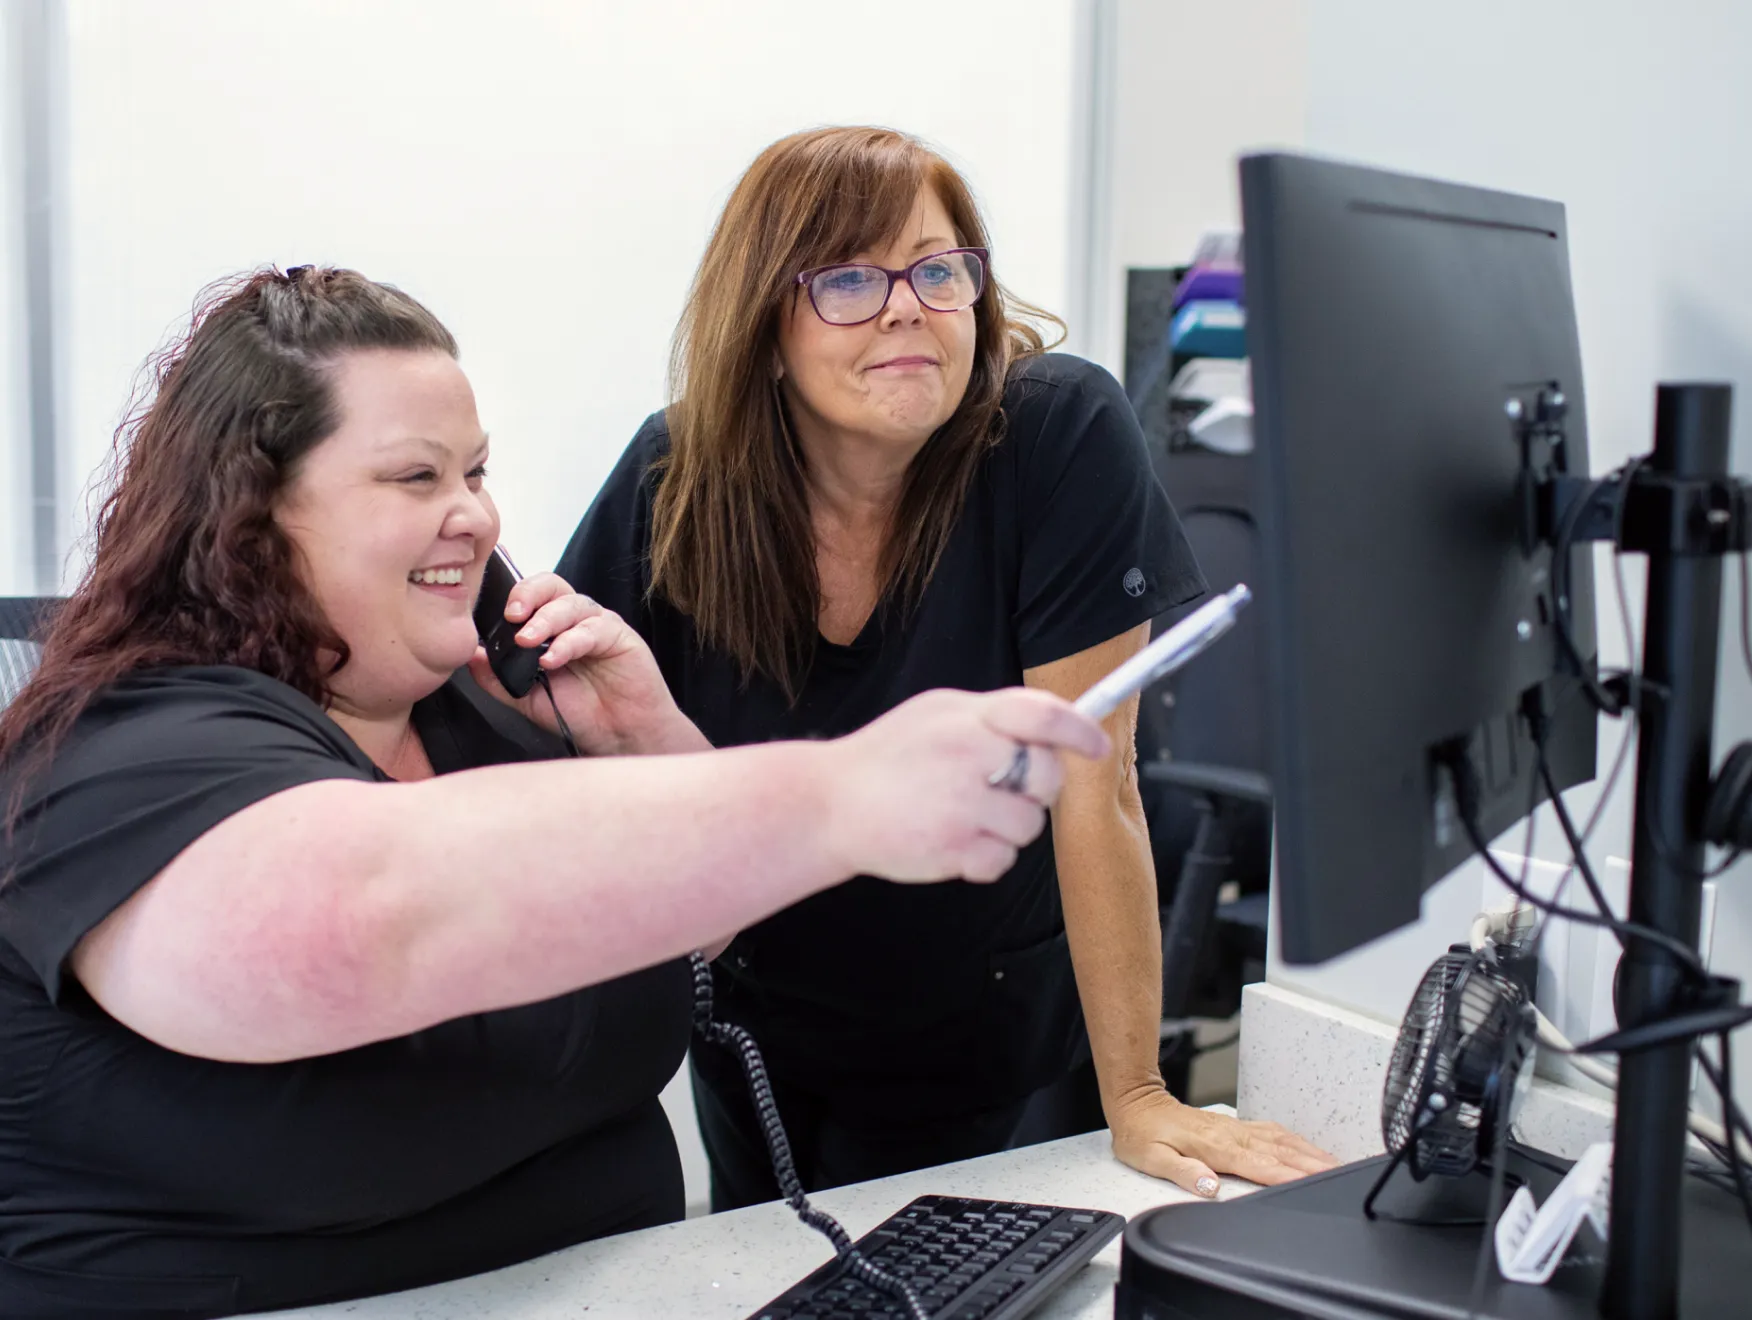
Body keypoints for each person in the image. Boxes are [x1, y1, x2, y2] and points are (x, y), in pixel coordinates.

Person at [0, 266, 1111, 1319]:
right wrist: (837, 794)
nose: (475, 518)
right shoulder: (126, 740)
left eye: (475, 473)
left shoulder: (480, 713)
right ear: (250, 519)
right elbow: (356, 922)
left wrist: (647, 743)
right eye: (415, 477)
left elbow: (695, 927)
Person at [558, 126, 1336, 1212]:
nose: (905, 306)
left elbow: (1094, 777)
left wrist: (1143, 1093)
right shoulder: (676, 476)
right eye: (846, 278)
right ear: (765, 327)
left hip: (990, 1027)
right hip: (757, 1030)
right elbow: (572, 744)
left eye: (935, 269)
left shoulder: (1053, 435)